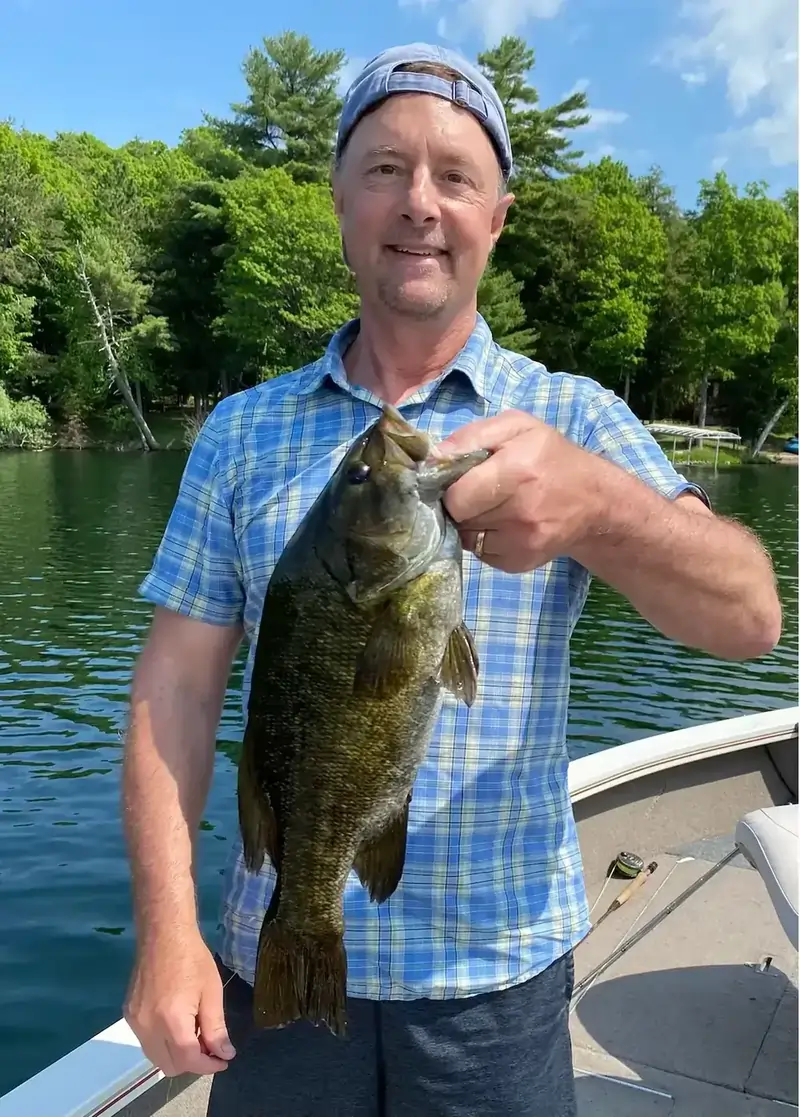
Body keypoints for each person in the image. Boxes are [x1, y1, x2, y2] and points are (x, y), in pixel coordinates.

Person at [121, 42, 782, 1117]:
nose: (417, 202)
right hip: (271, 948)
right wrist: (164, 929)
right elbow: (174, 693)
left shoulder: (573, 419)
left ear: (496, 218)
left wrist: (600, 504)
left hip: (494, 978)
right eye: (382, 169)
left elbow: (751, 616)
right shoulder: (241, 434)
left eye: (454, 176)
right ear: (338, 201)